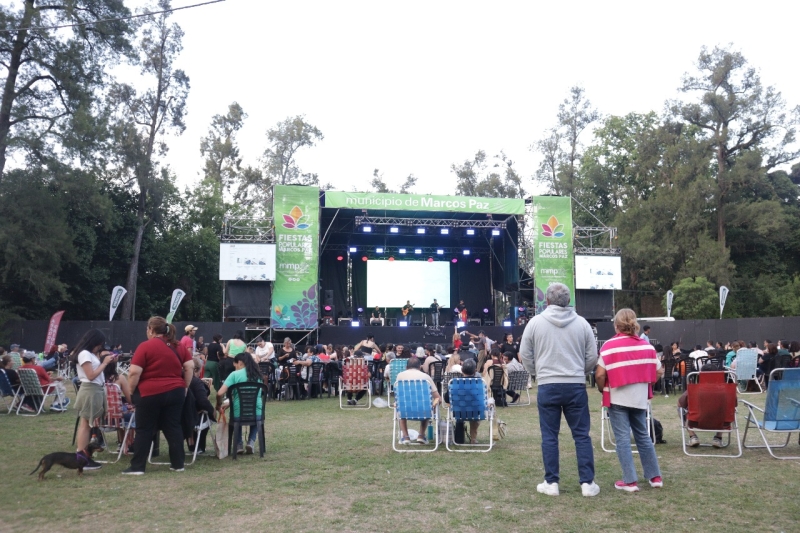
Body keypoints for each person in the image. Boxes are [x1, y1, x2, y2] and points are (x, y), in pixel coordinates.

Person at [519, 282, 599, 497]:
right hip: (575, 384)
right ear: (569, 300)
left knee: (549, 436)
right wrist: (579, 372)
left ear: (546, 301)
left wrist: (537, 372)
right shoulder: (582, 323)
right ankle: (587, 483)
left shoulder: (535, 323)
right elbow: (592, 356)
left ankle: (551, 482)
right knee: (581, 435)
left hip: (548, 384)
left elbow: (525, 354)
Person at [595, 309, 663, 493]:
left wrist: (602, 389)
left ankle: (630, 481)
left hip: (617, 397)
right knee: (643, 436)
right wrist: (646, 383)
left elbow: (600, 374)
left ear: (616, 325)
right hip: (639, 398)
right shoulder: (647, 347)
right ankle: (655, 477)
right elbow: (659, 370)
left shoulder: (609, 346)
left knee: (623, 439)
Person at [124, 317, 193, 475]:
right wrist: (185, 386)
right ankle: (178, 464)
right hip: (175, 391)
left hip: (149, 392)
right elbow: (189, 367)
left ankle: (138, 466)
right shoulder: (178, 346)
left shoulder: (145, 346)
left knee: (144, 429)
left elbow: (134, 372)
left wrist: (132, 390)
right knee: (173, 427)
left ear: (151, 329)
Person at [72, 329, 114, 471]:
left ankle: (83, 456)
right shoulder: (84, 354)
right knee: (86, 425)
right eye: (99, 344)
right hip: (90, 389)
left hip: (95, 389)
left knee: (87, 425)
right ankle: (82, 457)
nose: (100, 347)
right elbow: (90, 375)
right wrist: (105, 363)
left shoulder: (89, 354)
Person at [216, 352, 264, 454]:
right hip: (257, 412)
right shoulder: (258, 375)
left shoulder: (234, 375)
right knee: (257, 416)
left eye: (235, 364)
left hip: (238, 413)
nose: (235, 367)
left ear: (240, 362)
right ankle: (251, 441)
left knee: (236, 416)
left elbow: (219, 393)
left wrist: (218, 405)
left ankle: (239, 444)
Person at [395, 357, 441, 445]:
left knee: (401, 405)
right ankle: (421, 435)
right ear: (420, 367)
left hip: (404, 411)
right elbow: (437, 397)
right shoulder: (426, 377)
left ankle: (405, 436)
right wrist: (436, 404)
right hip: (423, 411)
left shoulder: (400, 376)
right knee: (427, 406)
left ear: (406, 367)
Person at [188, 356, 216, 455]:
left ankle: (193, 445)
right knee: (207, 417)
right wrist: (213, 411)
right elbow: (202, 402)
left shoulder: (179, 380)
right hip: (193, 417)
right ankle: (199, 446)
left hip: (177, 416)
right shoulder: (197, 383)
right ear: (196, 370)